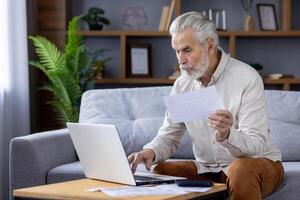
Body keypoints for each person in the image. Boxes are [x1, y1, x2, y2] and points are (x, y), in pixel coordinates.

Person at [128, 11, 284, 200]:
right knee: (161, 170)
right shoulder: (182, 84)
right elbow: (169, 136)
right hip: (208, 168)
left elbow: (257, 146)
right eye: (177, 51)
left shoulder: (247, 78)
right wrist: (150, 151)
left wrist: (227, 135)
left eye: (186, 50)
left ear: (209, 45)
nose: (180, 60)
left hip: (258, 164)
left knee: (240, 168)